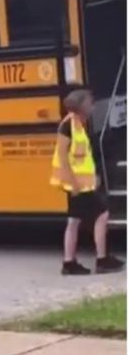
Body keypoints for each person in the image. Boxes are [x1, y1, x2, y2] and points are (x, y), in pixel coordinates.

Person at [50, 89, 124, 275]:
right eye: (90, 102)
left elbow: (82, 158)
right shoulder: (68, 126)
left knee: (74, 221)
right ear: (81, 105)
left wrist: (92, 177)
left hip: (80, 183)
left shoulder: (76, 124)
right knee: (102, 215)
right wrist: (73, 183)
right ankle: (101, 259)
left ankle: (69, 262)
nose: (92, 105)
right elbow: (62, 156)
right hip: (77, 185)